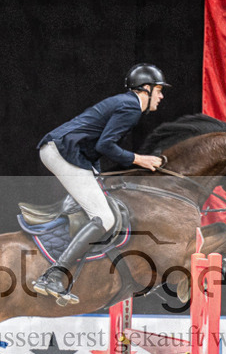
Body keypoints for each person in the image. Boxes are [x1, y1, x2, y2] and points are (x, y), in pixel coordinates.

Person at [31, 63, 169, 304]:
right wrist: (140, 159)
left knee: (99, 203)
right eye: (158, 90)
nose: (161, 95)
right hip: (63, 152)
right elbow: (105, 146)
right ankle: (53, 276)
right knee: (105, 218)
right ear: (145, 89)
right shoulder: (131, 107)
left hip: (65, 152)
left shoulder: (124, 103)